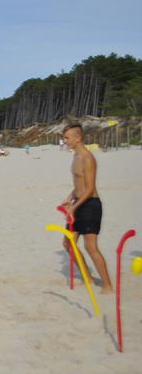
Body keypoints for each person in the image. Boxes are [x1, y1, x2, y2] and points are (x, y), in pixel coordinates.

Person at [59, 122, 113, 293]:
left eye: (67, 137)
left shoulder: (87, 158)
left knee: (91, 247)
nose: (65, 140)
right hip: (78, 203)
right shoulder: (75, 157)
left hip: (90, 205)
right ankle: (88, 278)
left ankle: (107, 286)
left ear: (78, 138)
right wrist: (69, 199)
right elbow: (78, 186)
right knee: (68, 244)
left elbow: (89, 189)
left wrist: (74, 208)